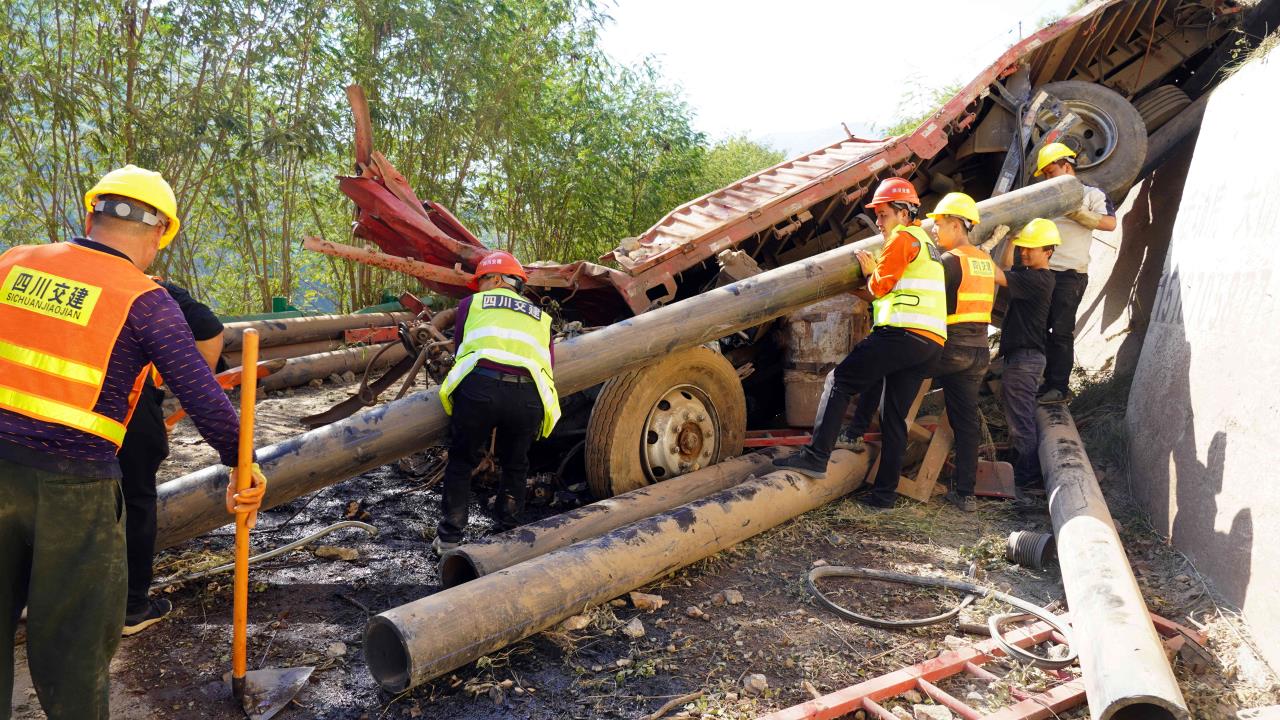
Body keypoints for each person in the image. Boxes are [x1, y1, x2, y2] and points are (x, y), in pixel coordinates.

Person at [0, 165, 263, 720]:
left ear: (91, 215)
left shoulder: (14, 264)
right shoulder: (145, 299)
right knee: (73, 647)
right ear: (157, 235)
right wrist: (246, 467)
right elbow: (203, 395)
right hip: (75, 490)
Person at [775, 177, 946, 510]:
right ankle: (884, 497)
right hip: (929, 343)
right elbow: (894, 290)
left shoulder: (902, 238)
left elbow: (880, 287)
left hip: (901, 333)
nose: (879, 223)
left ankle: (816, 456)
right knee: (894, 419)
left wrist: (870, 269)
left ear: (903, 212)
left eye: (883, 215)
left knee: (838, 381)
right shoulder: (927, 245)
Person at [834, 193, 996, 512]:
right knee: (966, 423)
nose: (934, 230)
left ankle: (855, 431)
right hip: (978, 352)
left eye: (938, 224)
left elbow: (900, 290)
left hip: (950, 347)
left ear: (954, 223)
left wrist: (873, 275)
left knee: (885, 367)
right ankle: (965, 494)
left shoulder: (949, 261)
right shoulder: (984, 261)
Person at [435, 251, 560, 554]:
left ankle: (450, 537)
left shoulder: (471, 304)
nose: (481, 288)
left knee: (462, 460)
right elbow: (549, 362)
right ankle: (508, 537)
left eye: (482, 281)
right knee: (516, 465)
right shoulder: (541, 316)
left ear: (493, 279)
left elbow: (461, 346)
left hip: (481, 388)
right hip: (528, 395)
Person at [120, 281, 224, 636]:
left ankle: (31, 597)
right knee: (135, 499)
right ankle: (131, 608)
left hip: (25, 416)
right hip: (124, 404)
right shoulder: (151, 291)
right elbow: (209, 328)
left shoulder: (28, 265)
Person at [1032, 142, 1116, 404]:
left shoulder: (1091, 195)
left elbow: (1109, 223)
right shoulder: (1044, 199)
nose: (1047, 178)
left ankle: (1059, 387)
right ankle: (1044, 383)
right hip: (1043, 273)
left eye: (1049, 172)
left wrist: (1077, 212)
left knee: (1060, 331)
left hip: (1070, 275)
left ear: (1066, 166)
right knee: (1039, 330)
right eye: (1044, 175)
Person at [991, 218, 1060, 500]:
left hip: (1025, 359)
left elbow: (998, 275)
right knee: (1019, 418)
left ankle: (1028, 480)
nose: (1025, 253)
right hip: (1022, 358)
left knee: (1021, 422)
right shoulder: (1031, 273)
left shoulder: (1038, 279)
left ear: (1049, 252)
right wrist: (1010, 240)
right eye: (1023, 248)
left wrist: (979, 250)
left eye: (1031, 249)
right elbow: (1008, 266)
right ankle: (1024, 472)